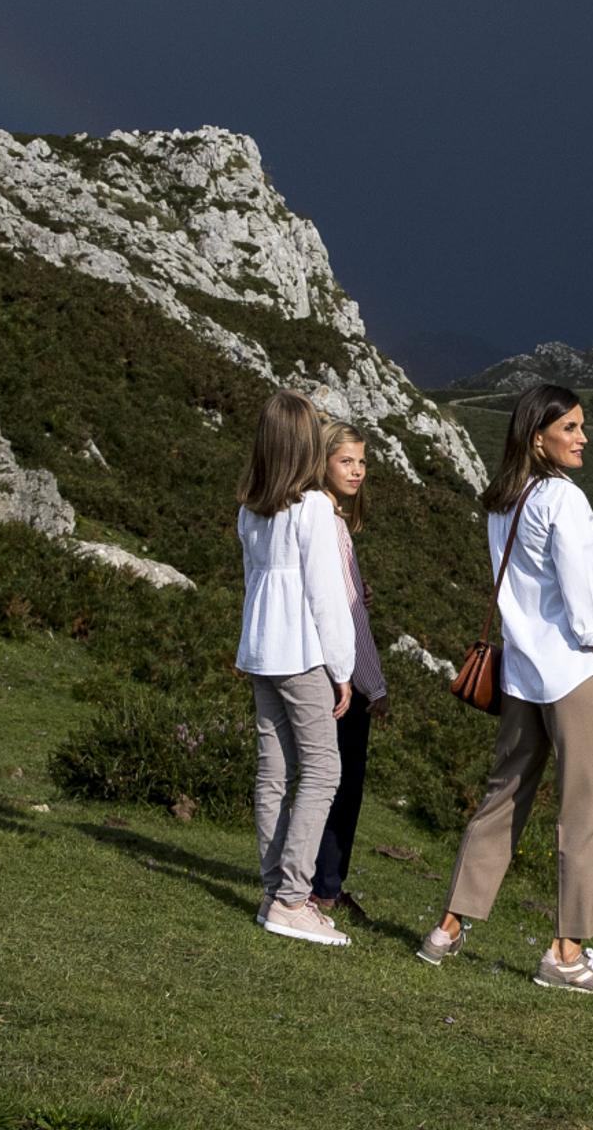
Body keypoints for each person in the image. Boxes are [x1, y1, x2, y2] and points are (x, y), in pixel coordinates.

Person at [417, 383, 593, 996]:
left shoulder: (503, 500)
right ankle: (566, 953)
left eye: (580, 427)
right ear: (537, 435)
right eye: (569, 428)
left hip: (522, 674)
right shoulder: (564, 501)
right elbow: (578, 612)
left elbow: (535, 591)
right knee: (587, 810)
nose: (582, 438)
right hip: (572, 676)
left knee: (503, 799)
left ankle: (446, 928)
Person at [235, 390, 355, 947]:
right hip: (301, 653)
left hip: (260, 650)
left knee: (273, 771)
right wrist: (344, 667)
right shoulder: (312, 509)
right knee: (323, 768)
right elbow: (326, 597)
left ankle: (272, 890)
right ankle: (291, 898)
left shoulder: (250, 508)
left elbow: (254, 581)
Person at [308, 420, 390, 922]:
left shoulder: (322, 519)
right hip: (343, 677)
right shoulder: (331, 525)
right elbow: (350, 617)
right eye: (346, 462)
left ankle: (318, 881)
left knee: (322, 778)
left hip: (319, 666)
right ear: (323, 463)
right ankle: (325, 886)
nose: (357, 471)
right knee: (341, 784)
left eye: (362, 462)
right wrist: (374, 685)